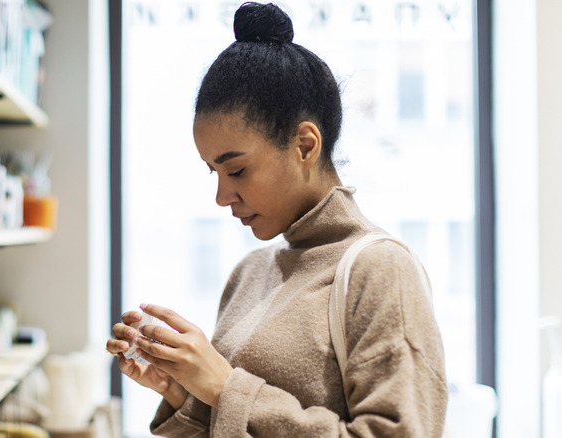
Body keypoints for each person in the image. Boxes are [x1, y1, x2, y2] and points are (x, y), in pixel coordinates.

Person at [106, 2, 448, 436]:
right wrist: (183, 394)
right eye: (213, 172)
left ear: (305, 145)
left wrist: (226, 388)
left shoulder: (380, 269)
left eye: (237, 170)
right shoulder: (249, 273)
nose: (221, 195)